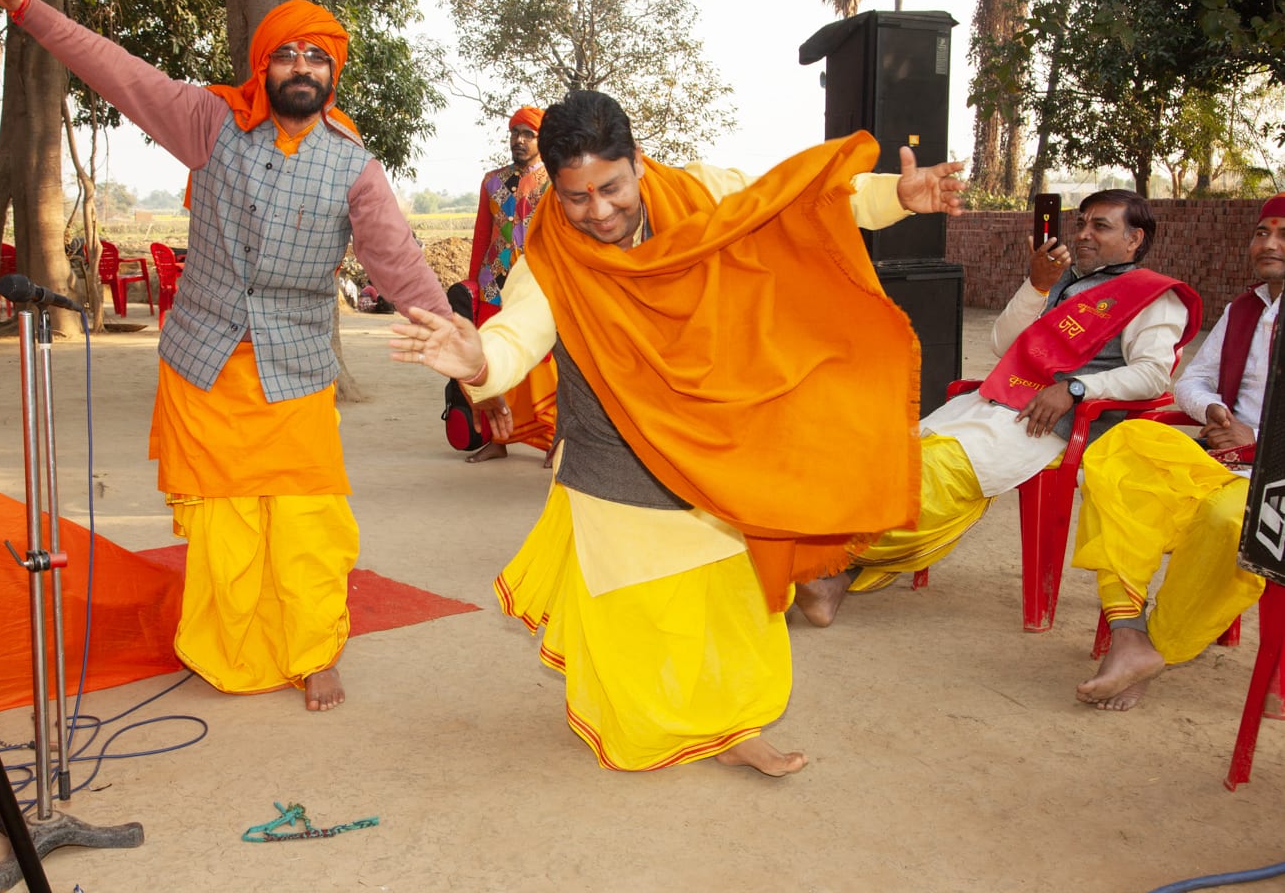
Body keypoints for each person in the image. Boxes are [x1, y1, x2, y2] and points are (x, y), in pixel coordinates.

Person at [0, 0, 453, 711]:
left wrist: (465, 350)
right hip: (205, 363)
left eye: (317, 56)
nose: (301, 66)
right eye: (287, 53)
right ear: (265, 64)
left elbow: (399, 261)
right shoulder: (209, 122)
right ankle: (230, 648)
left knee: (308, 520)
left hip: (295, 373)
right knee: (226, 524)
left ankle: (313, 650)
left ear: (333, 72)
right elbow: (115, 69)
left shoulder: (354, 166)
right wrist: (21, 2)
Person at [391, 89, 966, 776]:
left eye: (611, 187)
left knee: (730, 598)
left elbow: (805, 200)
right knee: (637, 608)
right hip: (613, 455)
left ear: (637, 162)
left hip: (717, 442)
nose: (598, 212)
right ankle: (656, 726)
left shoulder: (702, 193)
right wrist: (478, 362)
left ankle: (735, 727)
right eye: (576, 198)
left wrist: (896, 196)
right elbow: (516, 337)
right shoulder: (550, 258)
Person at [794, 189, 1203, 627]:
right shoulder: (1059, 280)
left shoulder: (1153, 297)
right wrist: (1037, 285)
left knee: (937, 473)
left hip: (1055, 425)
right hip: (996, 404)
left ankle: (821, 565)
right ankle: (833, 574)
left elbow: (1153, 375)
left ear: (1134, 239)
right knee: (888, 456)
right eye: (1081, 224)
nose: (1084, 234)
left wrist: (1076, 388)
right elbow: (1001, 344)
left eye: (1100, 226)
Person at [1068, 193, 1285, 711]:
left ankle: (1160, 646)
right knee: (1119, 452)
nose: (1268, 244)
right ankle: (1128, 632)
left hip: (1273, 477)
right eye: (1262, 232)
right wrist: (1215, 410)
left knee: (1227, 519)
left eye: (1283, 234)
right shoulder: (1244, 309)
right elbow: (1193, 381)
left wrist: (1256, 441)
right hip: (1222, 457)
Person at [459, 107, 557, 464]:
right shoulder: (492, 181)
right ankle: (496, 440)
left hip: (537, 285)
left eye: (528, 134)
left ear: (542, 139)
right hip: (494, 285)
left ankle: (554, 440)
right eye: (515, 132)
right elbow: (481, 236)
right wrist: (473, 284)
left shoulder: (556, 182)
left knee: (543, 364)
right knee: (490, 358)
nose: (519, 140)